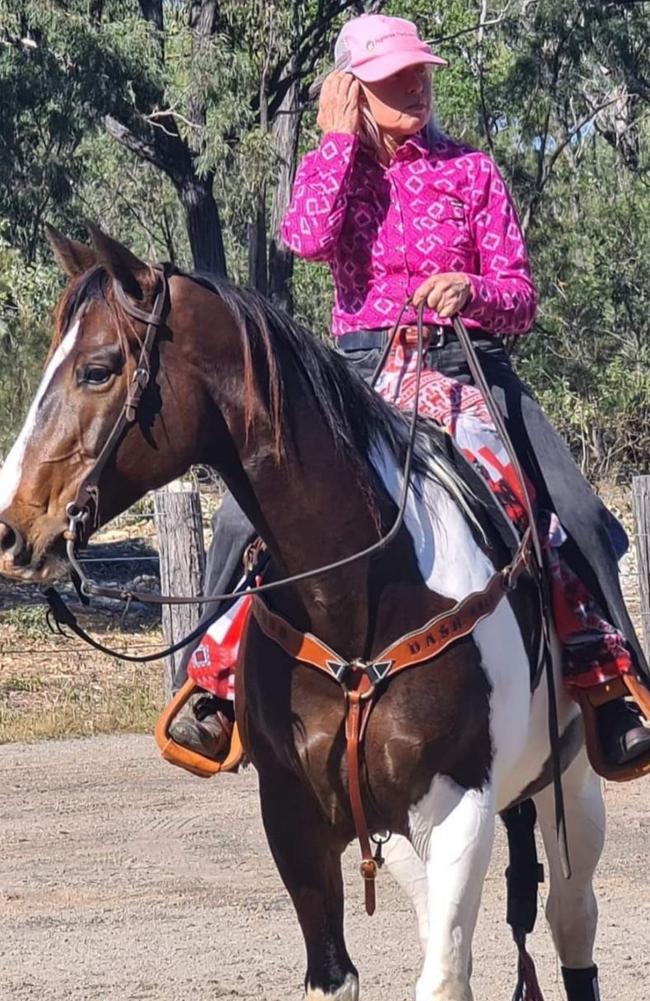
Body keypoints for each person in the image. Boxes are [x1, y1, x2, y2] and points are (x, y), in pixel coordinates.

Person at [169, 13, 650, 768]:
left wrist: (475, 290)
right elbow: (303, 237)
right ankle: (212, 685)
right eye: (394, 79)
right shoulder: (338, 169)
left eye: (419, 72)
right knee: (240, 519)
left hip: (467, 365)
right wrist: (333, 140)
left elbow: (521, 297)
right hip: (357, 374)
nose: (416, 86)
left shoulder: (472, 170)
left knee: (578, 511)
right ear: (353, 91)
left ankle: (609, 677)